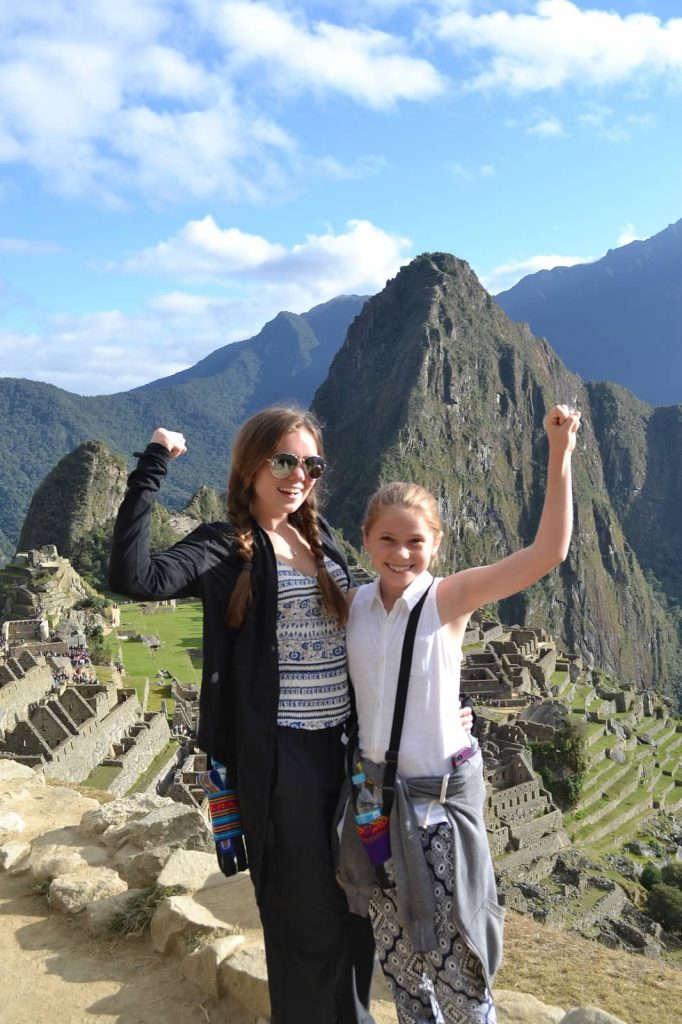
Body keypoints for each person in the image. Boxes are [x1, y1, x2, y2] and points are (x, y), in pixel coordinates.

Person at [108, 404, 471, 1024]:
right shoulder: (224, 548)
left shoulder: (319, 537)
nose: (297, 474)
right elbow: (133, 575)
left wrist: (434, 709)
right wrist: (151, 466)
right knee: (302, 918)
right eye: (283, 460)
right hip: (284, 762)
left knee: (355, 910)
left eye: (310, 463)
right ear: (250, 465)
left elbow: (373, 633)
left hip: (348, 758)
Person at [338, 404, 581, 1024]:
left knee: (457, 958)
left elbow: (547, 553)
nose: (400, 553)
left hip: (439, 805)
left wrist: (560, 454)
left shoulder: (447, 599)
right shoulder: (352, 605)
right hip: (375, 803)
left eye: (415, 541)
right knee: (399, 960)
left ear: (436, 544)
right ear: (365, 539)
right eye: (387, 539)